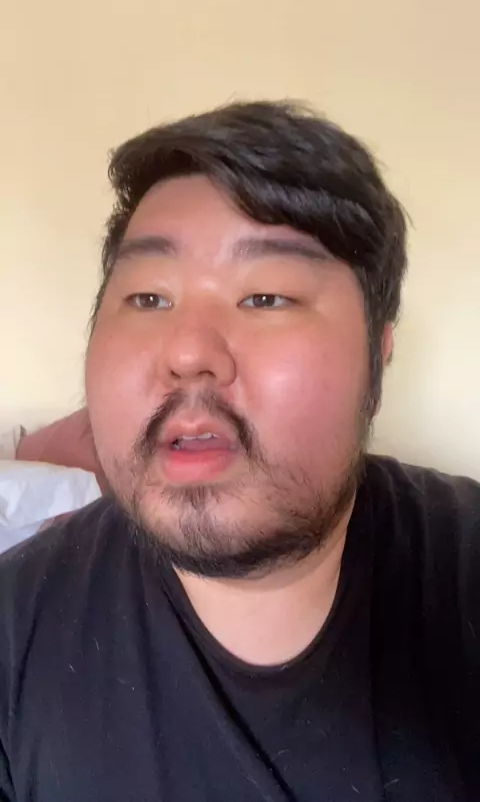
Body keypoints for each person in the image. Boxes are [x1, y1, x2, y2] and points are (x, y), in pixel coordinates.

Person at [0, 100, 478, 802]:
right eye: (148, 298)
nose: (188, 351)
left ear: (377, 361)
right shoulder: (15, 630)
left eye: (265, 297)